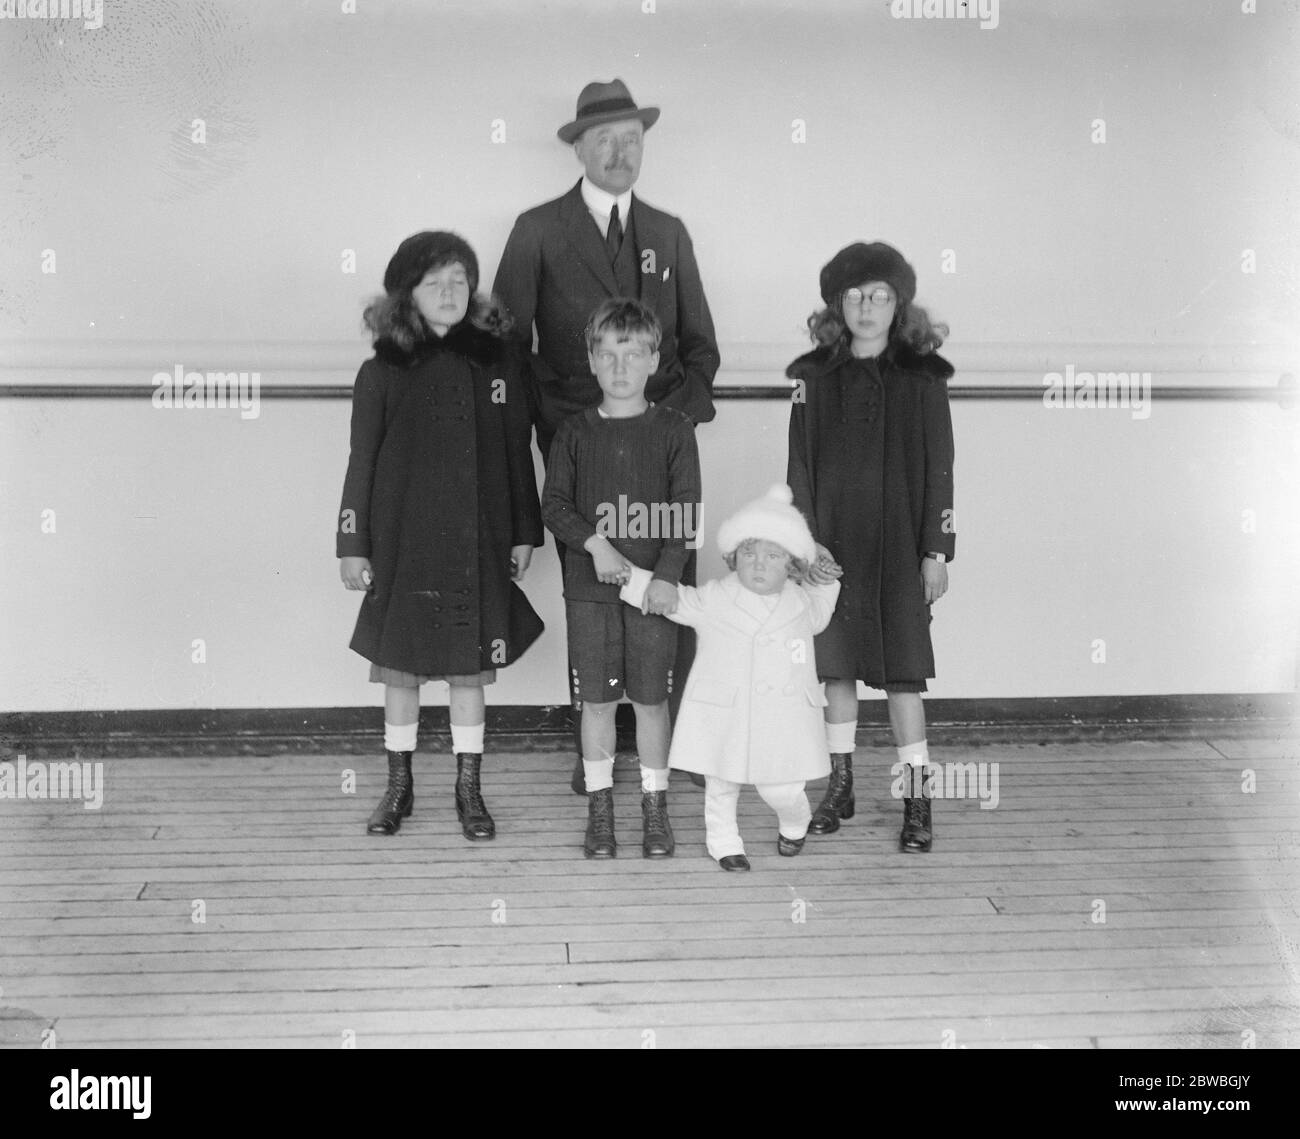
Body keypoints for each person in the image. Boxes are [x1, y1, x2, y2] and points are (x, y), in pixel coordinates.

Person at [493, 78, 719, 793]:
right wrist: (551, 421)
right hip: (577, 447)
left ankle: (666, 744)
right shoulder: (536, 229)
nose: (620, 152)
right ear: (578, 147)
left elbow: (701, 348)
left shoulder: (668, 232)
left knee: (664, 591)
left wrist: (671, 417)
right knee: (592, 596)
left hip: (658, 453)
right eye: (604, 140)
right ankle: (591, 751)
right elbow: (506, 344)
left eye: (632, 139)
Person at [337, 231, 544, 841]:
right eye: (435, 283)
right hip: (403, 539)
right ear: (408, 297)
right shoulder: (380, 372)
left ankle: (469, 791)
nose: (450, 292)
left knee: (467, 671)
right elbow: (361, 460)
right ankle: (398, 788)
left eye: (460, 280)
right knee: (400, 669)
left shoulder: (498, 367)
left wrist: (524, 532)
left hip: (477, 539)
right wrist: (352, 543)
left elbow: (515, 452)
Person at [786, 241, 956, 853]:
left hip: (899, 551)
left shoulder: (922, 381)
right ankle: (840, 785)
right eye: (854, 296)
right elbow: (798, 468)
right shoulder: (812, 381)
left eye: (879, 296)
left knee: (903, 678)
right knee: (836, 670)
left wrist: (936, 550)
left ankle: (917, 800)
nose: (866, 307)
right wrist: (805, 547)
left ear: (898, 305)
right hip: (833, 549)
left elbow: (942, 468)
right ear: (837, 304)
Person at [541, 299, 701, 859]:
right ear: (590, 360)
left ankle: (655, 811)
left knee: (652, 701)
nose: (620, 366)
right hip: (590, 589)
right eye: (607, 353)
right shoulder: (573, 432)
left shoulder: (675, 429)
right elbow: (555, 504)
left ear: (654, 360)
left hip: (653, 592)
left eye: (633, 353)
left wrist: (667, 578)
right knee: (598, 704)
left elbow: (685, 512)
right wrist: (596, 544)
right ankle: (601, 811)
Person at [619, 485, 843, 871]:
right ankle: (724, 841)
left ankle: (795, 822)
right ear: (732, 556)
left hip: (781, 719)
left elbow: (825, 590)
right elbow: (674, 599)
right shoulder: (715, 598)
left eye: (773, 556)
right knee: (721, 782)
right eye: (748, 553)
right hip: (728, 712)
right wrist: (626, 577)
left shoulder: (802, 605)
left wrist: (824, 565)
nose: (758, 564)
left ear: (792, 566)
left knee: (783, 788)